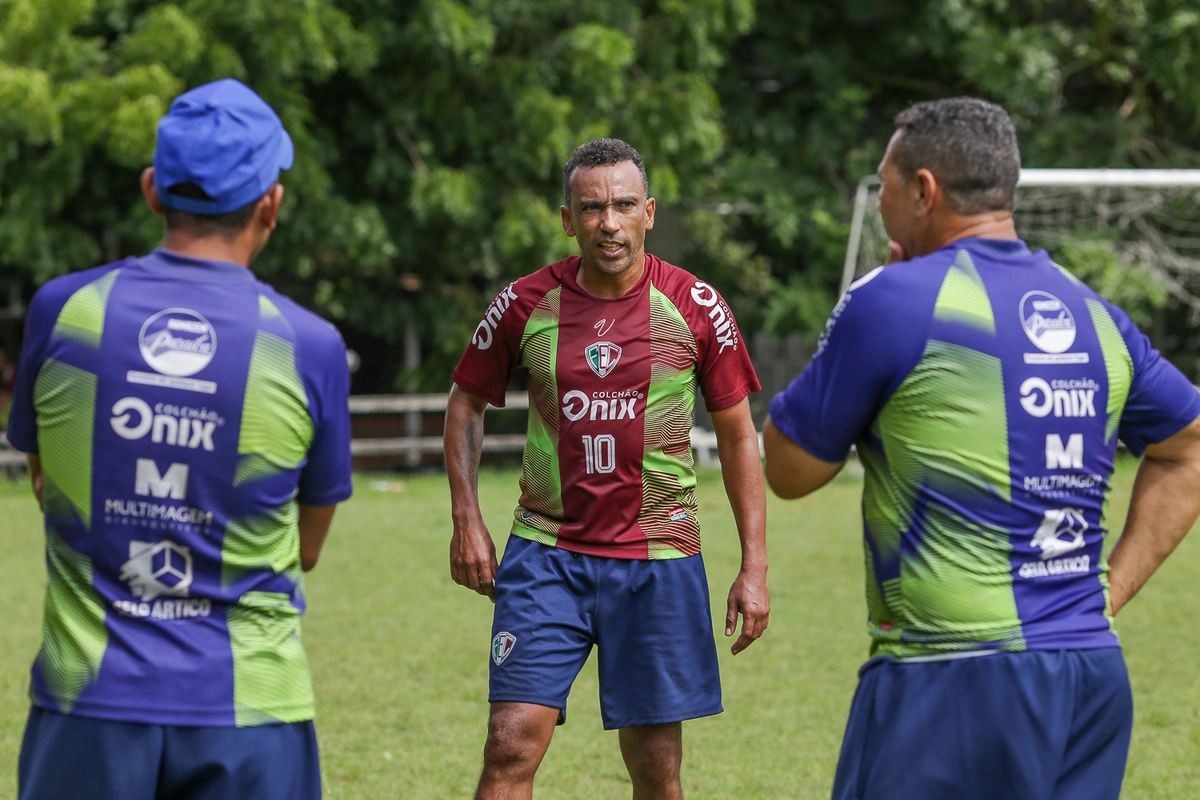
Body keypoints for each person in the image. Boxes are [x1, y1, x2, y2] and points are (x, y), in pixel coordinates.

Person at [763, 96, 1200, 800]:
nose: (882, 208)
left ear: (924, 191)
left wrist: (853, 305)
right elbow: (1190, 447)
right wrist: (1104, 594)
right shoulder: (1096, 315)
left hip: (951, 676)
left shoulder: (894, 302)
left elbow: (788, 469)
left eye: (887, 187)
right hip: (1090, 676)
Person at [7, 78, 353, 800]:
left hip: (87, 708)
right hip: (251, 712)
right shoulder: (308, 345)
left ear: (152, 192)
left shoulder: (62, 311)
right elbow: (309, 548)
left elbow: (48, 486)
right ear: (271, 205)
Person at [444, 138, 769, 800]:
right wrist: (466, 521)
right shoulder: (524, 303)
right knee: (508, 744)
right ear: (568, 219)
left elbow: (738, 436)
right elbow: (466, 403)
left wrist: (754, 566)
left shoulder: (697, 306)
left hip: (658, 561)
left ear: (648, 211)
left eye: (623, 206)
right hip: (545, 555)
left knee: (656, 767)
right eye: (591, 208)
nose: (609, 223)